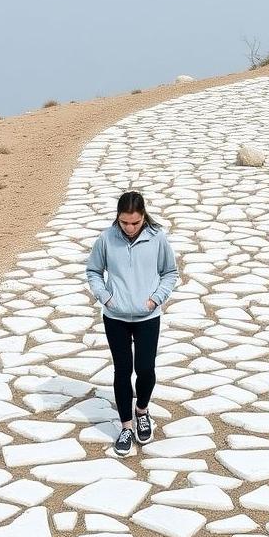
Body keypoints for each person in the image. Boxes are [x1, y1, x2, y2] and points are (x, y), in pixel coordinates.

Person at [85, 190, 179, 457]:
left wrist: (155, 299)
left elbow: (170, 272)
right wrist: (106, 297)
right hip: (115, 317)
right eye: (124, 222)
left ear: (143, 217)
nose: (129, 228)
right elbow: (93, 270)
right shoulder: (106, 239)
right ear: (118, 217)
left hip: (148, 316)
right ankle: (126, 426)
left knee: (146, 369)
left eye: (135, 223)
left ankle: (142, 411)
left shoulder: (158, 238)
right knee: (122, 371)